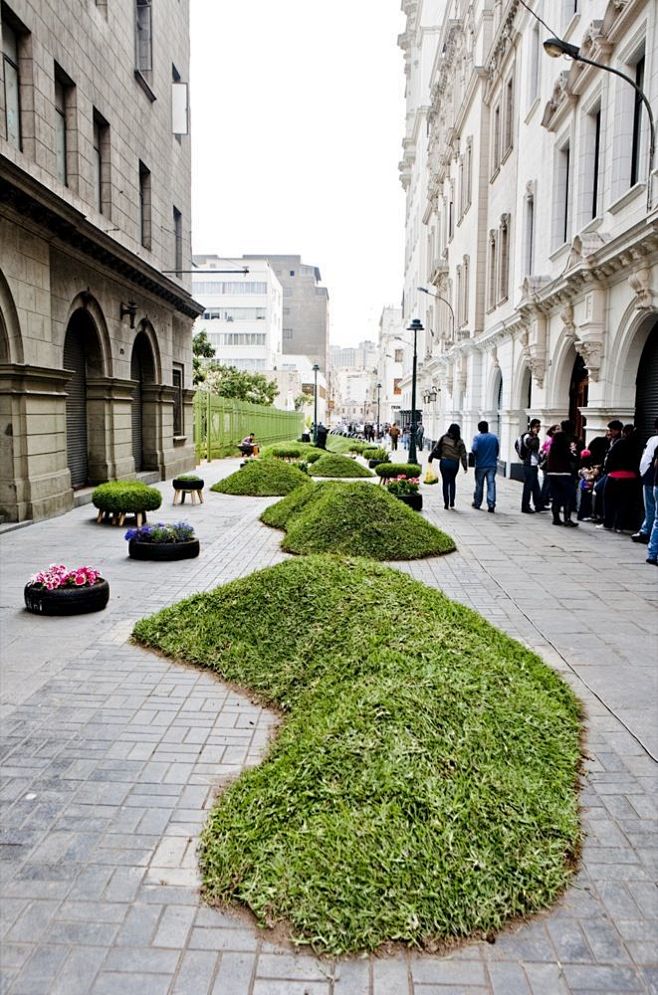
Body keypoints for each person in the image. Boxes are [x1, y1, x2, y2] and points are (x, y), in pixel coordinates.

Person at [428, 423, 468, 510]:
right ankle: (452, 501)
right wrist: (465, 467)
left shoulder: (444, 438)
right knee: (452, 481)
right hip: (454, 463)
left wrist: (430, 458)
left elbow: (436, 448)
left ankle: (446, 503)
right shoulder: (460, 441)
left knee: (445, 482)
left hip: (444, 462)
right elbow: (463, 455)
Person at [632, 417, 658, 544]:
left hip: (650, 478)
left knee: (651, 507)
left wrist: (643, 474)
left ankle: (646, 531)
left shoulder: (653, 440)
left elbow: (646, 459)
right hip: (651, 477)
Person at [547, 429, 578, 527]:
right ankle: (567, 519)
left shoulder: (552, 447)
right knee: (567, 497)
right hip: (564, 474)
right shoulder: (565, 447)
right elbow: (572, 458)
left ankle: (556, 518)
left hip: (552, 474)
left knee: (556, 497)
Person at [471, 420, 499, 512]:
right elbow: (497, 450)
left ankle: (477, 503)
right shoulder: (494, 438)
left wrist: (477, 456)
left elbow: (474, 449)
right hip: (492, 465)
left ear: (479, 428)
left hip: (480, 465)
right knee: (491, 484)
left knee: (479, 485)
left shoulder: (477, 438)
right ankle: (491, 504)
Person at [518, 418, 545, 514]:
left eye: (539, 426)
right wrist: (535, 436)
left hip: (532, 464)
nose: (539, 428)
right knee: (528, 486)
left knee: (535, 486)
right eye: (537, 426)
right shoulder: (528, 436)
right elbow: (534, 446)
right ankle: (525, 506)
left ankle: (539, 505)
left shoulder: (530, 436)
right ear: (532, 427)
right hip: (529, 464)